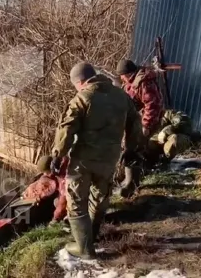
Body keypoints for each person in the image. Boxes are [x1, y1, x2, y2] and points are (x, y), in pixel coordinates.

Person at [51, 62, 142, 259]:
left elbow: (66, 130)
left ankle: (84, 249)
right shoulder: (121, 95)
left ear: (81, 82)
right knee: (100, 197)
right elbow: (136, 123)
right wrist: (131, 149)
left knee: (76, 201)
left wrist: (58, 155)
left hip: (84, 159)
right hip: (110, 158)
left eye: (76, 85)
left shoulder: (83, 98)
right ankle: (90, 239)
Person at [116, 59, 164, 198]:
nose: (121, 78)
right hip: (138, 120)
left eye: (122, 75)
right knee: (132, 147)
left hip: (146, 121)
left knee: (134, 148)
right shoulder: (132, 82)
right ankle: (131, 180)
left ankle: (132, 184)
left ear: (128, 74)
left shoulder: (145, 83)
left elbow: (153, 105)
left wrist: (146, 126)